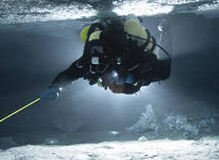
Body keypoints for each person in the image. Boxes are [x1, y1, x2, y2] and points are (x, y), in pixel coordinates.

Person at [41, 15, 170, 99]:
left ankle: (125, 22)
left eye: (103, 81)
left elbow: (71, 73)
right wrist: (138, 78)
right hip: (117, 40)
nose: (106, 80)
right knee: (161, 70)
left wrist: (55, 85)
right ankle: (131, 22)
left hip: (119, 38)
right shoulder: (125, 63)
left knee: (87, 34)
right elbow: (71, 73)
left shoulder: (93, 64)